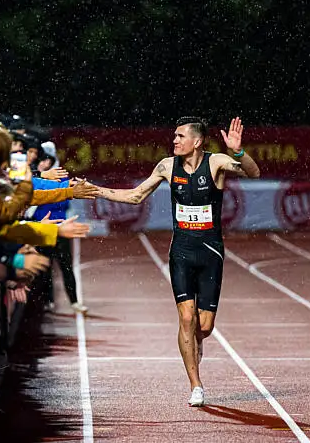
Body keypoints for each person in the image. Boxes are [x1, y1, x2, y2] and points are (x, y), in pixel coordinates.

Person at [91, 117, 260, 407]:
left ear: (197, 141)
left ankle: (198, 342)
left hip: (210, 253)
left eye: (180, 136)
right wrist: (95, 191)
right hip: (180, 251)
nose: (174, 141)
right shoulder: (167, 166)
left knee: (203, 327)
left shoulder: (217, 162)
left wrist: (239, 152)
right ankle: (196, 385)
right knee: (185, 317)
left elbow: (253, 174)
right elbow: (136, 196)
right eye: (174, 136)